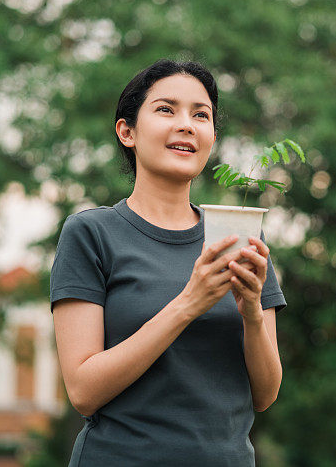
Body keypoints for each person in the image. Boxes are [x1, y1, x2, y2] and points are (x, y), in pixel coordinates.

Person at [50, 58, 287, 466]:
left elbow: (265, 395)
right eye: (166, 109)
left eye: (202, 115)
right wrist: (188, 304)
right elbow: (83, 391)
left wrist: (250, 312)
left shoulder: (239, 236)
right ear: (127, 132)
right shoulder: (92, 234)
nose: (187, 124)